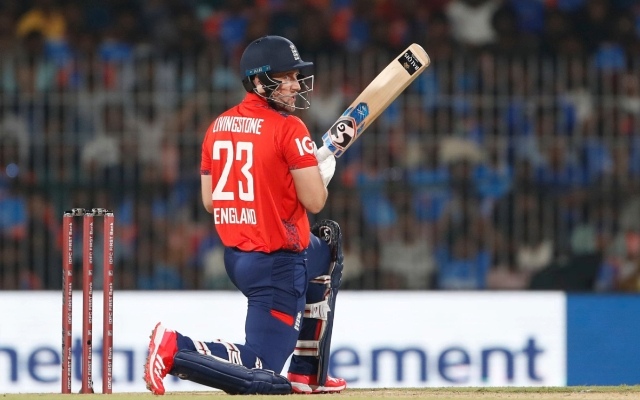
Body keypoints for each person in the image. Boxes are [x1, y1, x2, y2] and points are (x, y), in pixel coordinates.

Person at [143, 35, 346, 395]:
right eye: (285, 77)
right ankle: (176, 347)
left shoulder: (218, 125)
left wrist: (283, 183)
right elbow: (315, 201)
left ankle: (308, 372)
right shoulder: (290, 128)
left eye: (295, 77)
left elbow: (210, 201)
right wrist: (318, 176)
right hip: (277, 265)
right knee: (262, 370)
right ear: (258, 81)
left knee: (325, 251)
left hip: (238, 257)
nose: (295, 85)